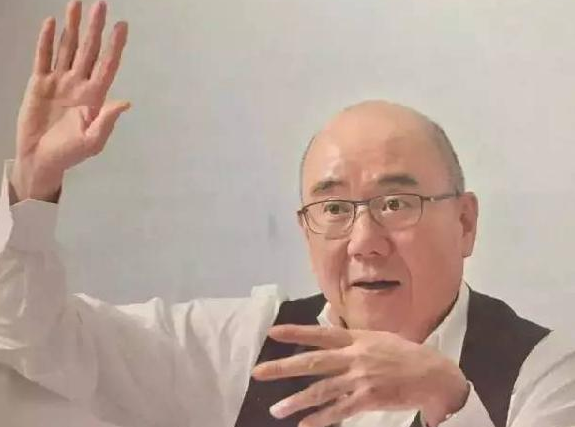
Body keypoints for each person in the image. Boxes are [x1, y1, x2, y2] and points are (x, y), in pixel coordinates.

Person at [0, 2, 574, 427]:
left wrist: (448, 399)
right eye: (335, 208)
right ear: (306, 228)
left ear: (465, 223)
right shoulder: (248, 347)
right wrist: (33, 184)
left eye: (395, 204)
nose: (364, 241)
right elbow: (43, 345)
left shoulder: (546, 372)